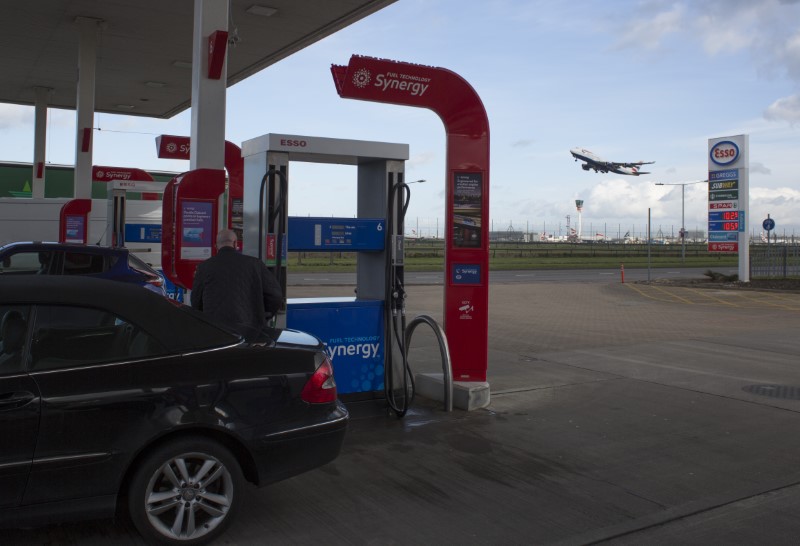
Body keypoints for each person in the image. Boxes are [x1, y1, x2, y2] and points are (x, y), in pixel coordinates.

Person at [191, 229, 283, 339]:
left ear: (216, 246)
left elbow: (196, 301)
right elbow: (275, 296)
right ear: (235, 244)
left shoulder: (204, 267)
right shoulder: (255, 264)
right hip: (250, 331)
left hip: (216, 331)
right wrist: (262, 315)